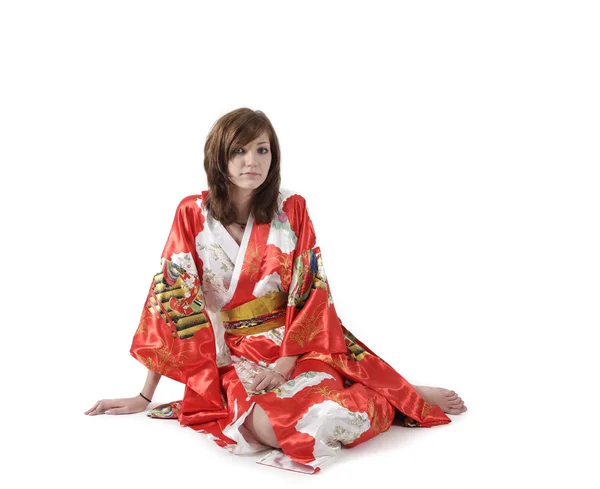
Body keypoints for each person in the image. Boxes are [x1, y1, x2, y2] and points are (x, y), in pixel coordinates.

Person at [85, 108, 467, 474]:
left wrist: (285, 366)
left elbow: (311, 290)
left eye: (261, 150)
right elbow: (173, 302)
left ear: (273, 156)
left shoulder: (291, 208)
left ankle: (393, 397)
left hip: (296, 343)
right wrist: (144, 396)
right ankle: (388, 392)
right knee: (270, 430)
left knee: (321, 410)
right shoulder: (192, 213)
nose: (251, 160)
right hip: (236, 351)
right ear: (219, 157)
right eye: (239, 150)